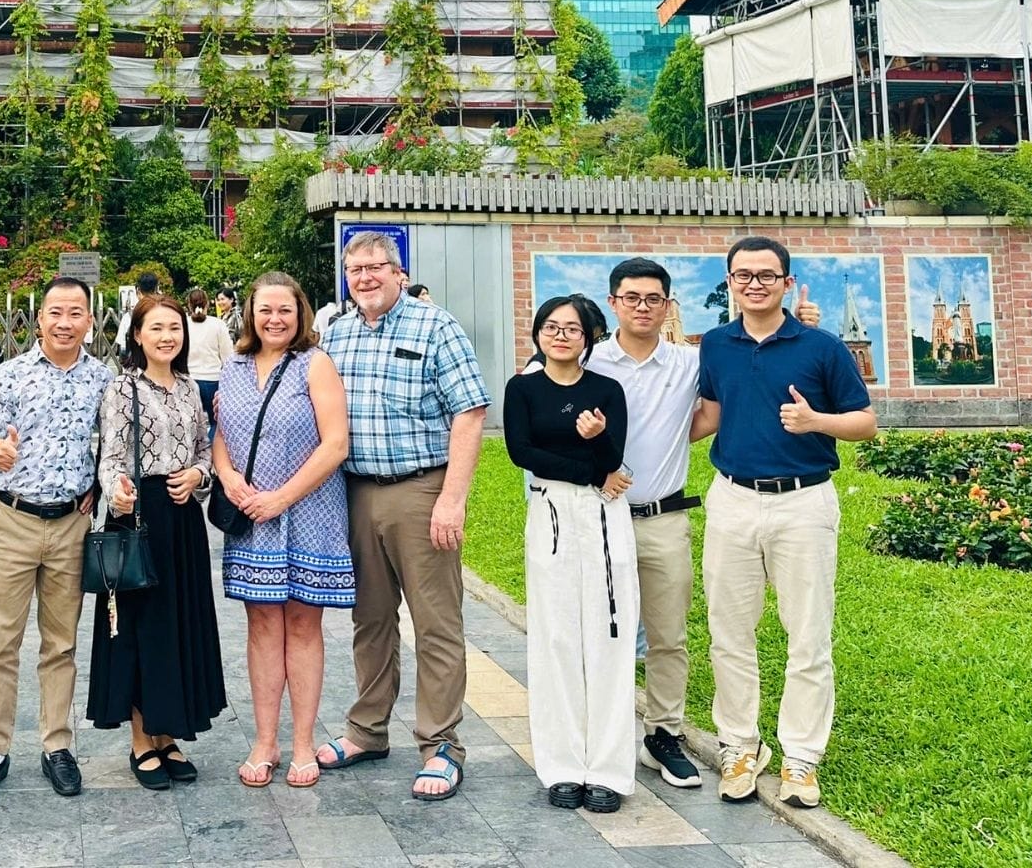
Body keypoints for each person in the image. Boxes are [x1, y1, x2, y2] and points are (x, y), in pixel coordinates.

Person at [590, 259, 823, 791]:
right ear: (614, 302)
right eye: (631, 298)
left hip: (664, 516)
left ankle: (663, 734)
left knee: (669, 637)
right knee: (599, 633)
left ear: (669, 306)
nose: (642, 307)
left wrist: (805, 324)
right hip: (598, 518)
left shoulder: (693, 360)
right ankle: (595, 737)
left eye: (654, 299)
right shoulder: (590, 361)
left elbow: (731, 394)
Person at [694, 237, 875, 809]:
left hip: (804, 503)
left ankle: (801, 757)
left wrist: (815, 420)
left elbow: (865, 422)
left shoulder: (820, 346)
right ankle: (740, 746)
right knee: (729, 632)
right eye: (742, 275)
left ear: (786, 283)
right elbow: (707, 416)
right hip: (732, 501)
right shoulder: (717, 346)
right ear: (729, 282)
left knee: (808, 634)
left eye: (766, 275)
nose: (754, 284)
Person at [318, 232, 490, 802]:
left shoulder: (435, 326)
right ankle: (367, 731)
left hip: (421, 490)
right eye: (354, 268)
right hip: (356, 493)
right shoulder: (336, 335)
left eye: (375, 267)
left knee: (435, 622)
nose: (364, 277)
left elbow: (469, 413)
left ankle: (441, 745)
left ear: (398, 271)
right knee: (369, 620)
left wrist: (452, 498)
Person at [0, 277, 112, 802]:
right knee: (0, 643)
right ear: (39, 318)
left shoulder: (105, 379)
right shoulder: (10, 374)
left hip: (72, 524)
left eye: (76, 313)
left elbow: (113, 442)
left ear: (90, 321)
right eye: (56, 312)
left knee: (61, 643)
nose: (65, 322)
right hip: (14, 521)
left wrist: (99, 481)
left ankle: (57, 746)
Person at [215, 272, 352, 790]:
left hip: (309, 512)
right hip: (252, 515)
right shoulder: (233, 367)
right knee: (262, 625)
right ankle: (264, 740)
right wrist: (227, 477)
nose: (275, 319)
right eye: (265, 309)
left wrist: (282, 497)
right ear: (250, 314)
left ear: (301, 314)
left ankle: (300, 743)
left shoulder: (315, 364)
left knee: (303, 625)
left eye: (285, 310)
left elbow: (335, 444)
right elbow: (222, 435)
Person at [503, 296, 635, 813]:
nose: (561, 336)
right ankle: (561, 767)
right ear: (537, 333)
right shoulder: (523, 389)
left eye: (572, 329)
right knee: (556, 638)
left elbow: (616, 458)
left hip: (604, 515)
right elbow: (522, 452)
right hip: (554, 511)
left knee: (608, 635)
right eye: (551, 327)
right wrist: (589, 469)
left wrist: (599, 442)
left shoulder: (606, 390)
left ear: (589, 338)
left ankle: (606, 770)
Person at [88, 293, 224, 790]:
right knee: (142, 626)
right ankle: (141, 740)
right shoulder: (123, 388)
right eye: (157, 328)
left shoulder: (190, 388)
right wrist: (115, 491)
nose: (168, 336)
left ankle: (167, 734)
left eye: (175, 328)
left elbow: (205, 449)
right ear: (137, 335)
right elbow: (109, 454)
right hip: (138, 515)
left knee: (178, 624)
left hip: (183, 517)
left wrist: (197, 475)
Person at [182, 287, 235, 429]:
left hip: (188, 379)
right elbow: (228, 356)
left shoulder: (182, 325)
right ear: (207, 304)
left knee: (190, 424)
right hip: (213, 380)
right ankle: (211, 450)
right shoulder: (218, 324)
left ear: (189, 305)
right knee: (216, 424)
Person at [115, 271, 162, 349]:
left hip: (138, 360)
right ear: (156, 290)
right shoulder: (166, 313)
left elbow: (123, 348)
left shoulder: (130, 316)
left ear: (138, 292)